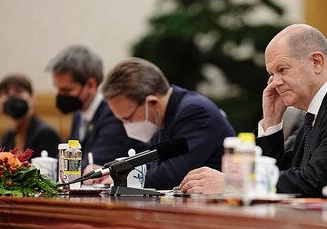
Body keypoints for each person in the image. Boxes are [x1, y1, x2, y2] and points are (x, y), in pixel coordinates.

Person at [180, 24, 327, 197]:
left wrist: (232, 183)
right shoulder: (316, 111)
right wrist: (272, 122)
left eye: (282, 69)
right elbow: (284, 174)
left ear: (316, 62)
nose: (274, 83)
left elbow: (311, 181)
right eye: (271, 73)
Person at [86, 58, 236, 190]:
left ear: (152, 103)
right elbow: (149, 165)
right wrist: (111, 171)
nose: (126, 125)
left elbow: (170, 175)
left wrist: (121, 179)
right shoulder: (162, 118)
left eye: (128, 118)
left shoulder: (196, 113)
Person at [47, 45, 148, 170]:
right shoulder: (79, 114)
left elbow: (94, 164)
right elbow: (68, 157)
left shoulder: (113, 113)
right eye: (58, 89)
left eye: (66, 90)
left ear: (90, 85)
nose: (60, 95)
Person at [0, 74, 61, 159]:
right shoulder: (8, 136)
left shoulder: (45, 134)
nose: (12, 96)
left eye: (18, 91)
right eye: (6, 93)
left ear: (32, 98)